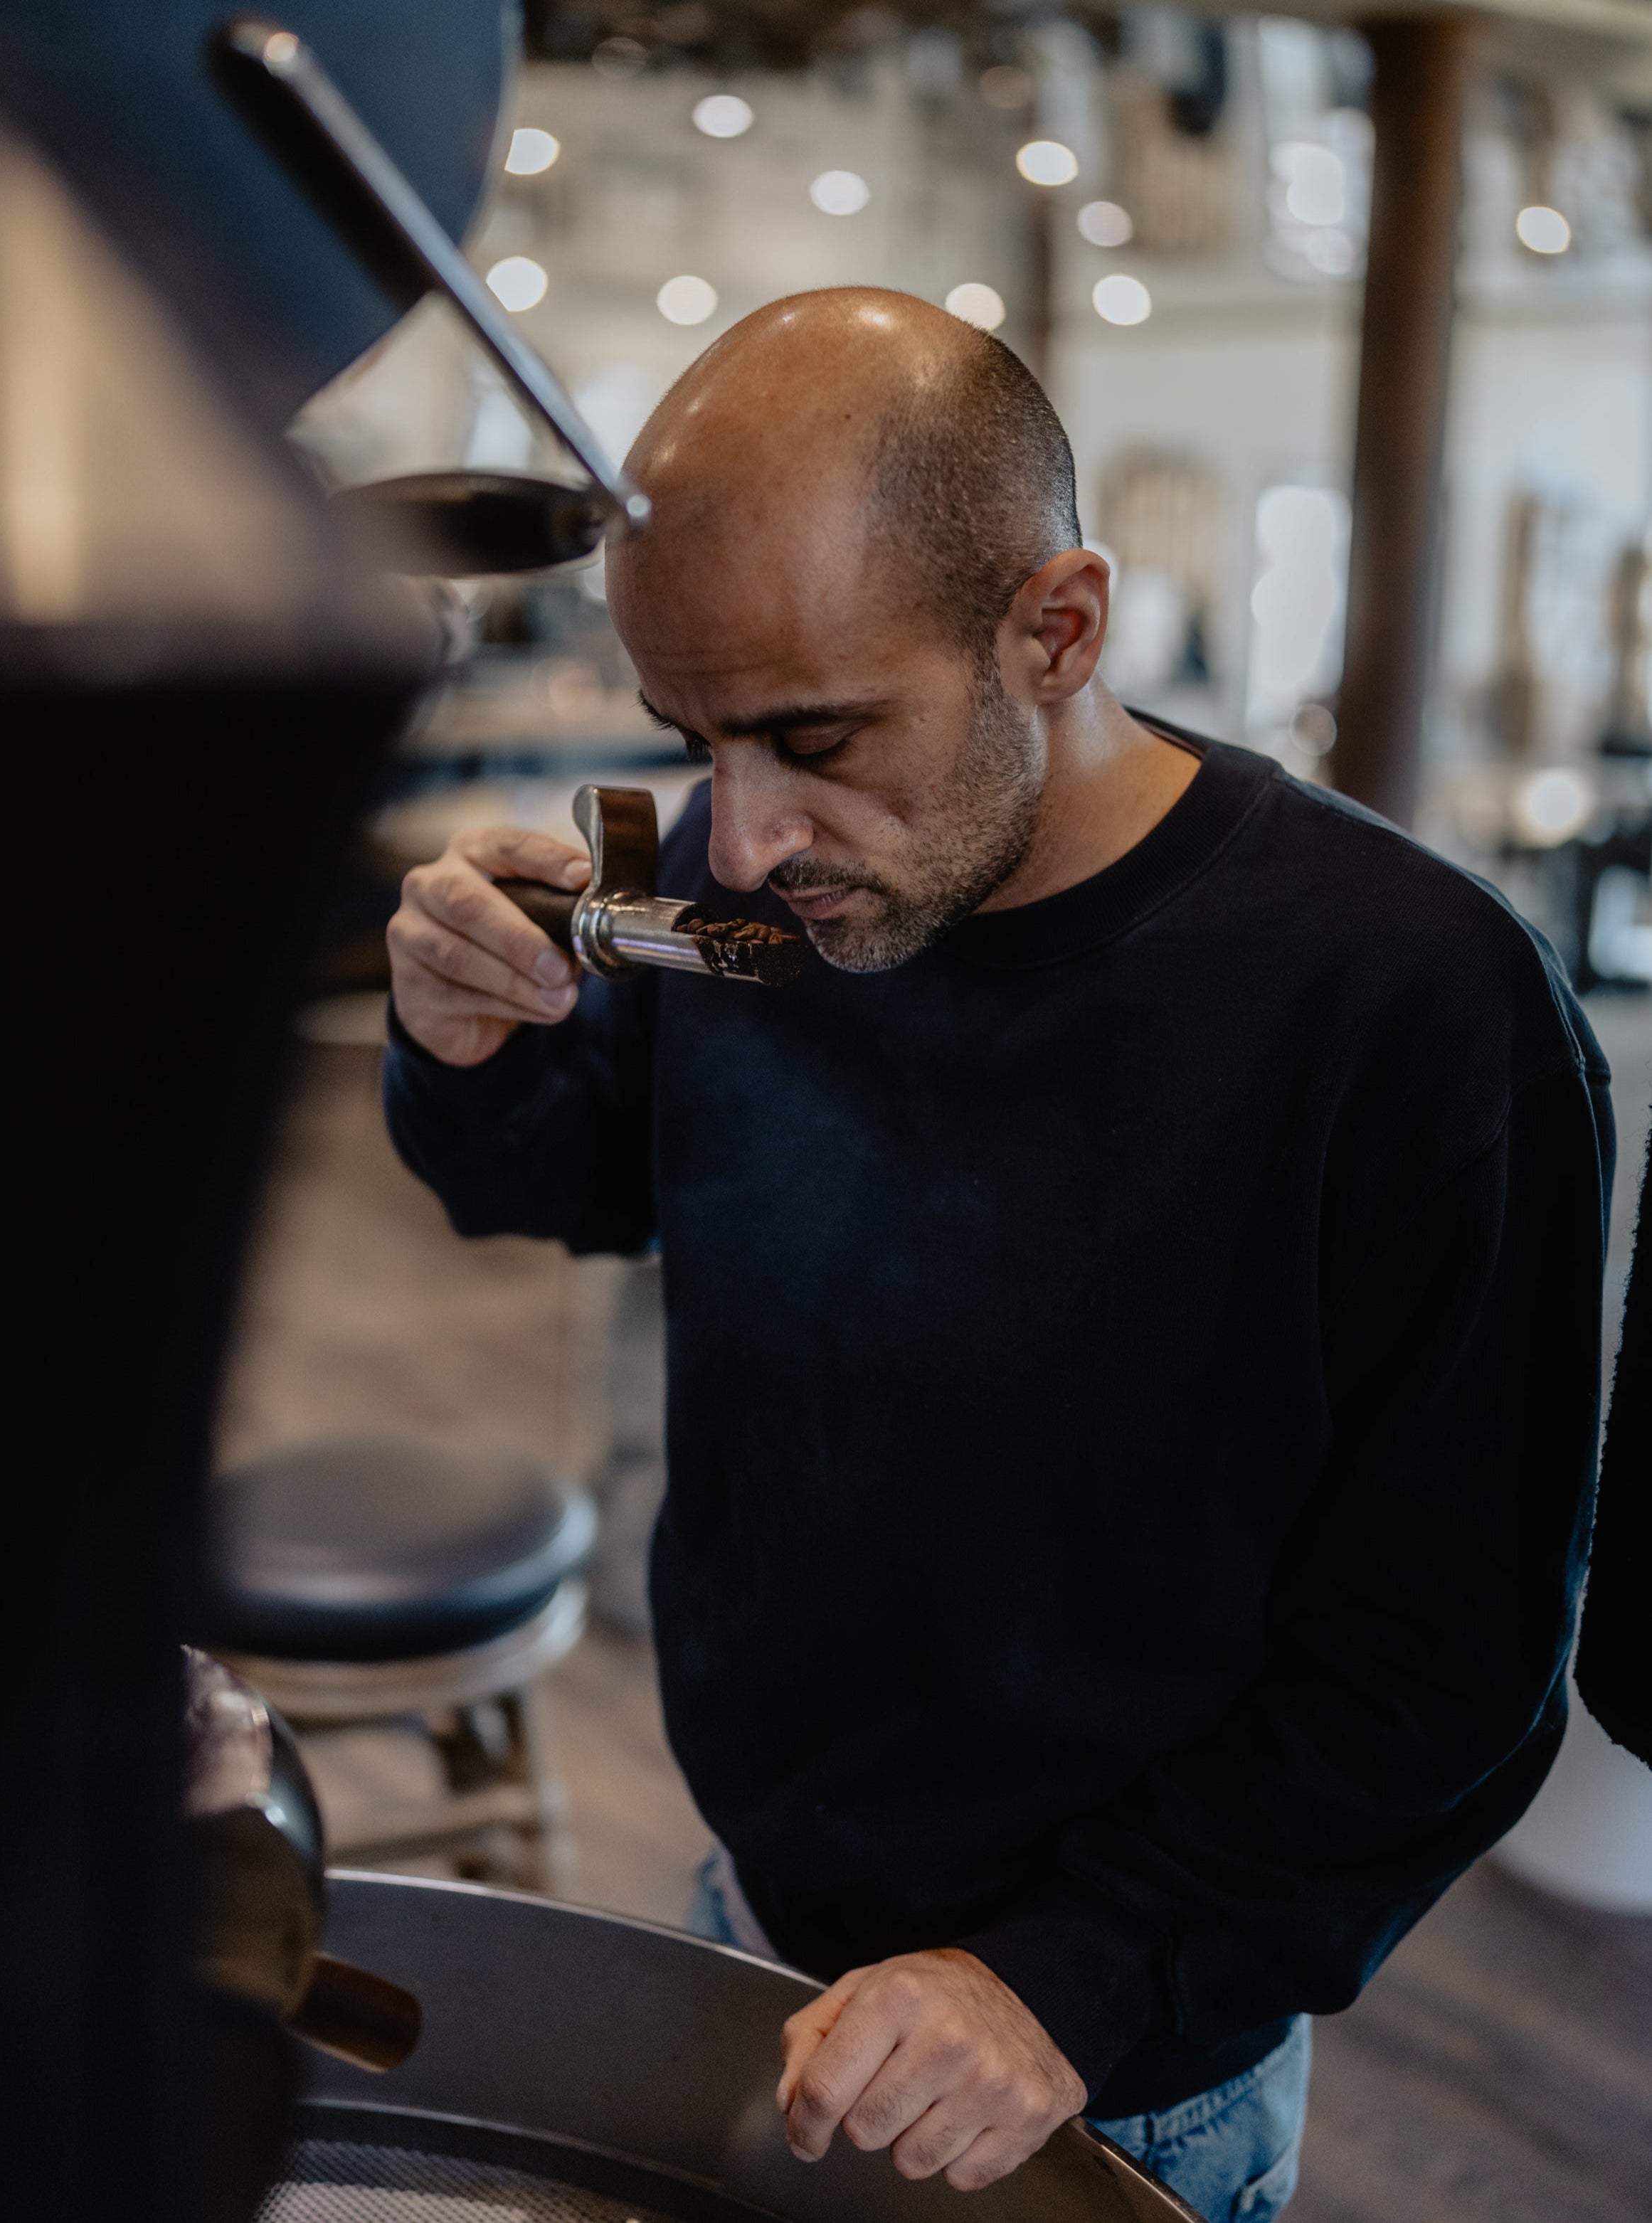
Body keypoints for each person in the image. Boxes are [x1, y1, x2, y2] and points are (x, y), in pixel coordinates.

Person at [382, 290, 1613, 2221]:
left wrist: (1074, 1974)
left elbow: (1441, 1660)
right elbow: (580, 1168)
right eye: (693, 740)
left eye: (813, 735)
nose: (744, 832)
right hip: (750, 1910)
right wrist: (467, 1040)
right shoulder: (739, 874)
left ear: (1057, 627)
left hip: (1090, 2063)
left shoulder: (1407, 1006)